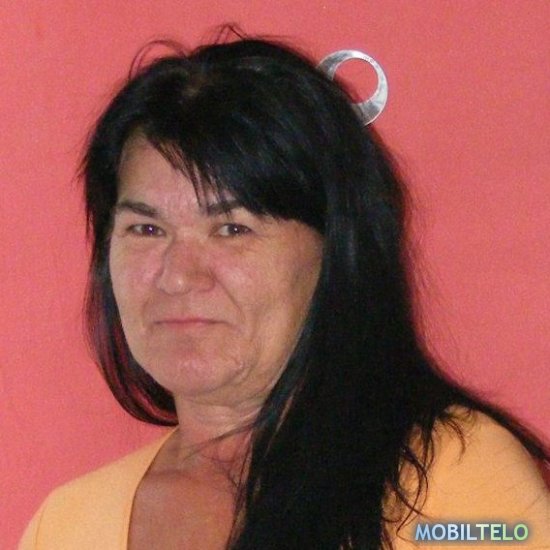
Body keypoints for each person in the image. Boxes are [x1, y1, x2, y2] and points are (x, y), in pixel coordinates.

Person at [20, 32, 550, 550]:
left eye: (232, 229)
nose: (177, 276)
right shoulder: (67, 524)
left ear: (335, 252)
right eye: (146, 229)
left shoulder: (450, 482)